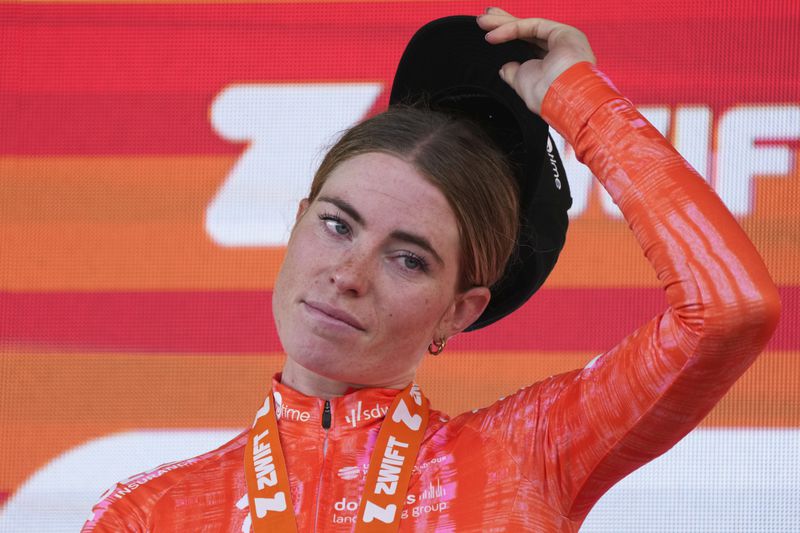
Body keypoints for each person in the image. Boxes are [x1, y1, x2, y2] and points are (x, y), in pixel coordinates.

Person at [82, 8, 780, 532]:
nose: (349, 274)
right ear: (296, 224)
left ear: (460, 309)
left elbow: (728, 308)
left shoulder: (528, 455)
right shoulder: (151, 513)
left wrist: (580, 103)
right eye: (336, 224)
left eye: (409, 257)